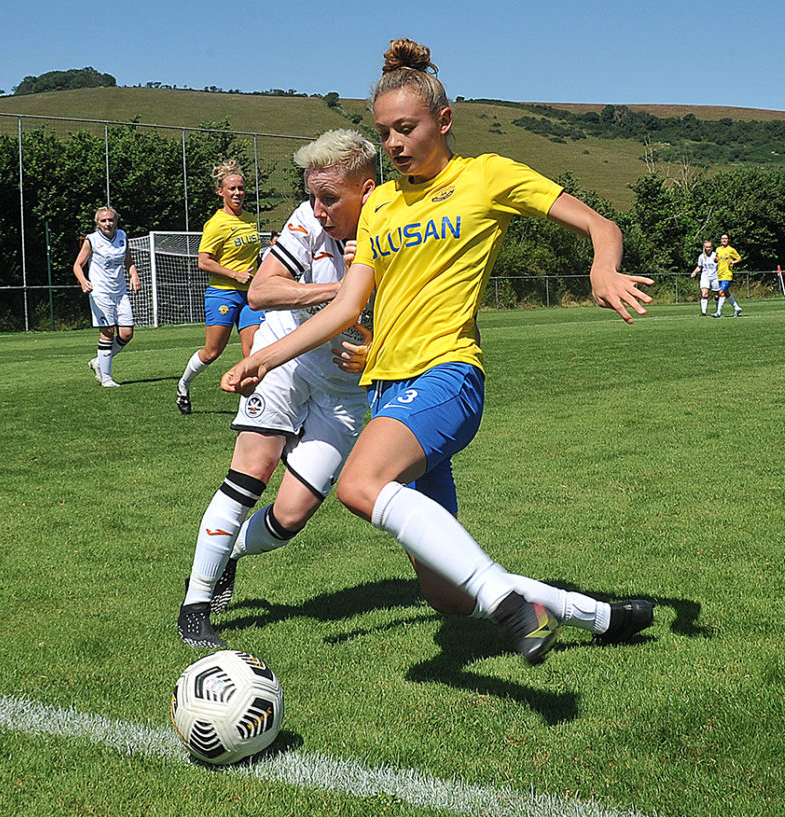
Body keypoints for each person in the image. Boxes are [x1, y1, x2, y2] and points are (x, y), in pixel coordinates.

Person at [221, 39, 655, 665]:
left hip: (448, 377)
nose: (393, 144)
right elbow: (346, 306)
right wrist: (266, 356)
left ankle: (508, 604)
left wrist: (603, 269)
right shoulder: (381, 205)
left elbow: (600, 225)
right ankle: (601, 615)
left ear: (443, 121)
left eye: (406, 128)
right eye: (383, 132)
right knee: (448, 597)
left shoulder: (487, 176)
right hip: (388, 393)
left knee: (361, 484)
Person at [178, 129, 377, 647]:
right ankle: (195, 605)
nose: (319, 207)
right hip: (284, 358)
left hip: (347, 391)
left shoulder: (402, 233)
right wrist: (345, 289)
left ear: (369, 191)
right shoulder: (307, 220)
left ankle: (225, 556)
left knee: (290, 516)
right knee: (251, 470)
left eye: (330, 196)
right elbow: (263, 291)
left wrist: (375, 341)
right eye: (314, 194)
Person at [176, 159, 264, 414]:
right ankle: (184, 385)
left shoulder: (250, 220)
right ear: (221, 192)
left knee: (253, 351)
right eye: (232, 188)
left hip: (250, 296)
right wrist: (234, 275)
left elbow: (253, 258)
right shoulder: (216, 224)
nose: (237, 193)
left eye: (241, 188)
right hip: (223, 294)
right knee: (212, 352)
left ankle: (253, 408)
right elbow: (203, 261)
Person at [72, 206, 140, 388]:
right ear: (97, 223)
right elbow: (78, 265)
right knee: (108, 333)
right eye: (103, 221)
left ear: (116, 221)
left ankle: (98, 362)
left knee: (127, 334)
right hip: (100, 292)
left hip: (120, 292)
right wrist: (83, 281)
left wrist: (134, 275)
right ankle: (106, 378)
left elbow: (128, 261)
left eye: (110, 220)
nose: (107, 223)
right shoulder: (92, 240)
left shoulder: (122, 236)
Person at [711, 233, 742, 318]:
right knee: (726, 293)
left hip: (727, 274)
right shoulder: (718, 249)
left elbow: (739, 258)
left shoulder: (731, 250)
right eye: (722, 238)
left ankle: (718, 313)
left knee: (721, 292)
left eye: (725, 238)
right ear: (720, 240)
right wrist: (715, 260)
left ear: (728, 240)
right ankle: (737, 308)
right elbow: (716, 260)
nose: (724, 240)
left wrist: (732, 262)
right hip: (720, 274)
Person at [691, 240, 718, 316]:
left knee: (716, 294)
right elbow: (700, 267)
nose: (708, 248)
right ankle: (703, 312)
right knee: (704, 293)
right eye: (707, 247)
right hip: (705, 277)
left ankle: (718, 310)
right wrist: (694, 272)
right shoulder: (701, 257)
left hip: (715, 277)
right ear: (704, 247)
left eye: (709, 247)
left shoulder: (715, 255)